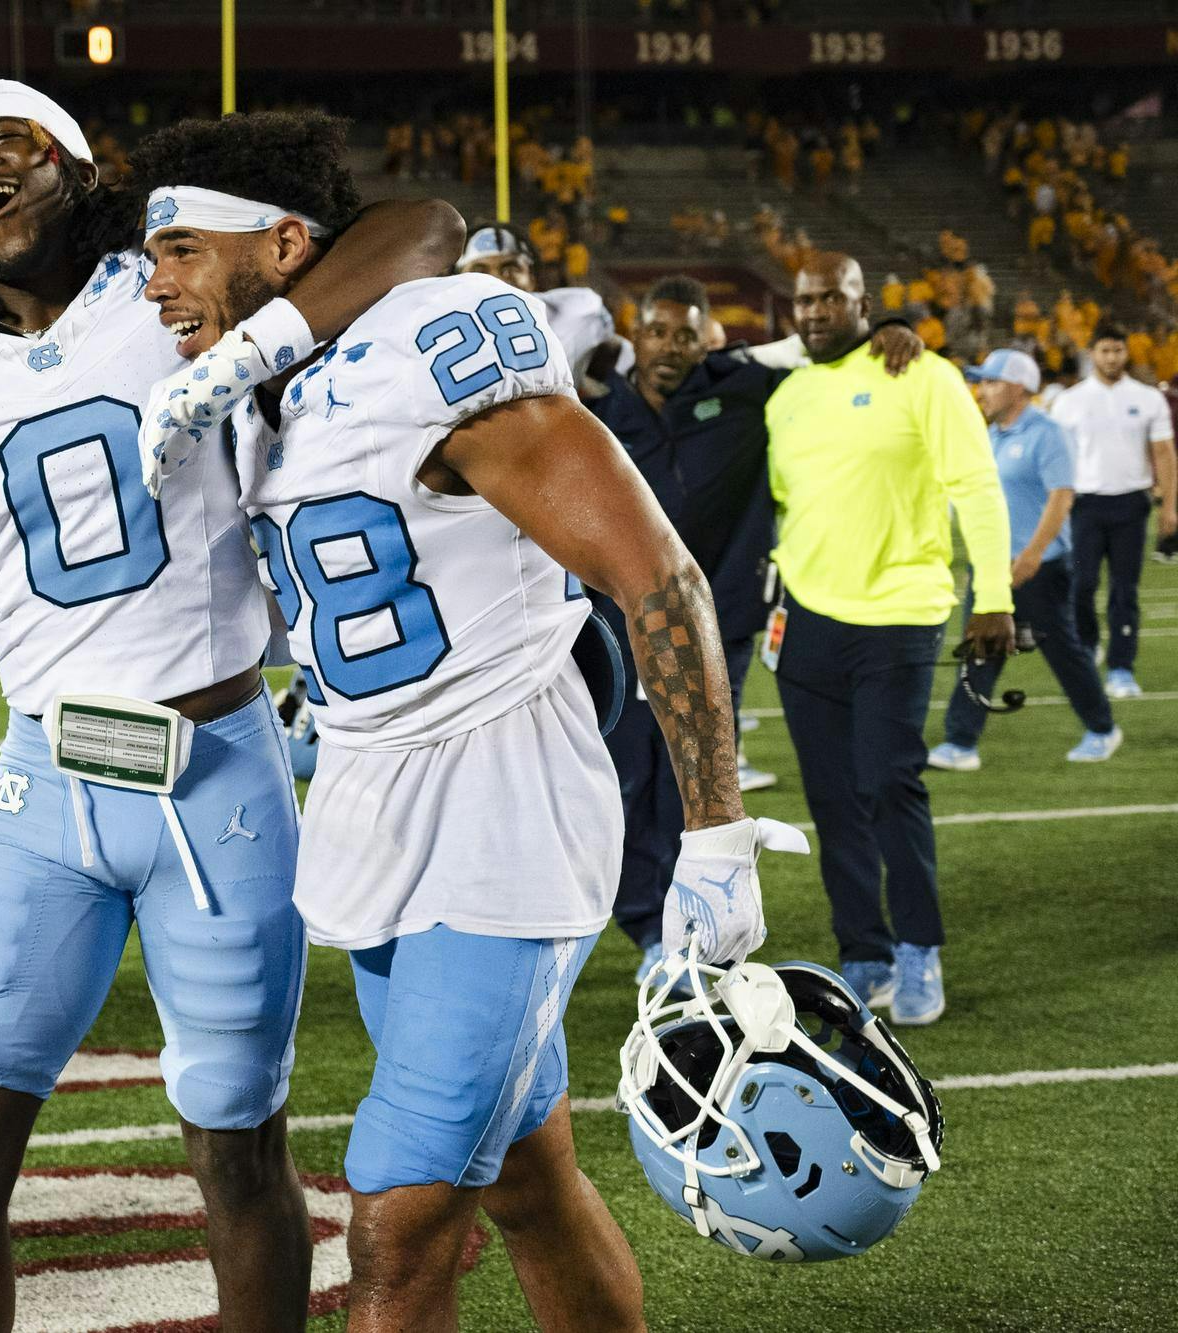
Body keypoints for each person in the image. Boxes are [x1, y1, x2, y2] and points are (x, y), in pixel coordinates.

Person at [0, 80, 462, 1333]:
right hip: (44, 793)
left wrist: (250, 346)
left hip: (220, 782)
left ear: (80, 171)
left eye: (12, 141)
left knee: (235, 1155)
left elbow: (421, 229)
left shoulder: (175, 280)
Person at [131, 110, 801, 1333]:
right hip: (367, 805)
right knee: (529, 1182)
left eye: (177, 248)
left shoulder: (422, 343)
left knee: (394, 1225)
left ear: (282, 244)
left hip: (502, 807)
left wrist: (712, 830)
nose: (154, 281)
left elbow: (655, 575)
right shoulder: (251, 384)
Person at [585, 275, 921, 983]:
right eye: (658, 330)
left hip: (716, 623)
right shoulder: (598, 403)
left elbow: (825, 347)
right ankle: (645, 920)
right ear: (634, 332)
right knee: (622, 778)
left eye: (687, 333)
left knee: (694, 771)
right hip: (621, 620)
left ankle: (689, 919)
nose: (671, 346)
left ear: (708, 336)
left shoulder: (741, 383)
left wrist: (890, 323)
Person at [766, 252, 1015, 1027]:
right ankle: (861, 951)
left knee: (886, 782)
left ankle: (917, 947)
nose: (812, 312)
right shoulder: (788, 394)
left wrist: (995, 595)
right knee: (833, 797)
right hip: (806, 618)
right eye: (802, 301)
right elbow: (789, 499)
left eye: (828, 299)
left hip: (901, 612)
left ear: (861, 302)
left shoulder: (924, 373)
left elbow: (974, 483)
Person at [929, 349, 1119, 770]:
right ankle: (960, 742)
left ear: (1019, 388)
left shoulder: (1047, 432)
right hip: (992, 566)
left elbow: (1062, 495)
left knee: (1063, 653)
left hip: (1039, 567)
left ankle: (1103, 728)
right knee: (980, 649)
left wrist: (1033, 554)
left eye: (992, 382)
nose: (982, 391)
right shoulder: (989, 434)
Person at [1048, 323, 1176, 698]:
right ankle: (1088, 645)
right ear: (1092, 354)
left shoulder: (1148, 398)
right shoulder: (1069, 401)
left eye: (1118, 351)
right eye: (1104, 351)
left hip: (1131, 504)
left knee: (1125, 591)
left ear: (1126, 353)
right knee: (1082, 586)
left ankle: (1121, 669)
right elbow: (1057, 459)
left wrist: (1170, 505)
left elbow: (1165, 454)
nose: (1111, 357)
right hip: (1084, 505)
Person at [456, 223, 625, 389]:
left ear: (532, 277)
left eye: (510, 269)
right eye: (480, 272)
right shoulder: (439, 326)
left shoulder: (576, 311)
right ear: (456, 282)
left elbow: (618, 353)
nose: (496, 281)